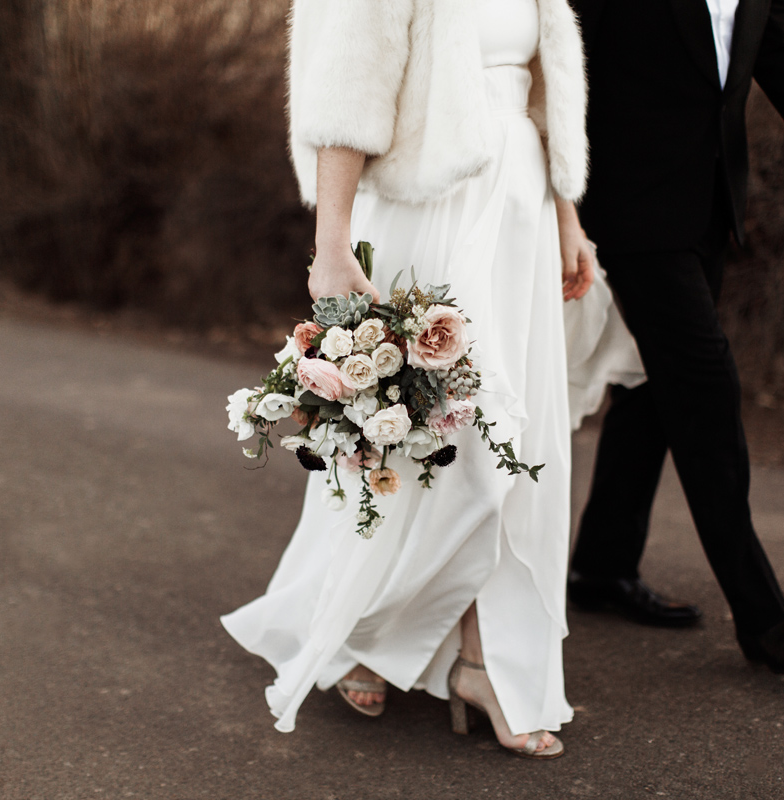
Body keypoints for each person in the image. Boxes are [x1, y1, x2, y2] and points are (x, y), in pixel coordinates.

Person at [221, 0, 643, 757]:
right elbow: (346, 99)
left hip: (518, 211)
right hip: (427, 215)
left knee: (519, 450)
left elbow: (549, 93)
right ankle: (364, 628)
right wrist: (330, 246)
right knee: (432, 443)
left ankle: (487, 664)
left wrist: (568, 219)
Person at [567, 0, 784, 673]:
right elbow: (564, 68)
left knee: (659, 387)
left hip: (709, 208)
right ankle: (763, 615)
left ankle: (601, 567)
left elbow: (780, 56)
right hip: (624, 211)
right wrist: (560, 204)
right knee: (705, 390)